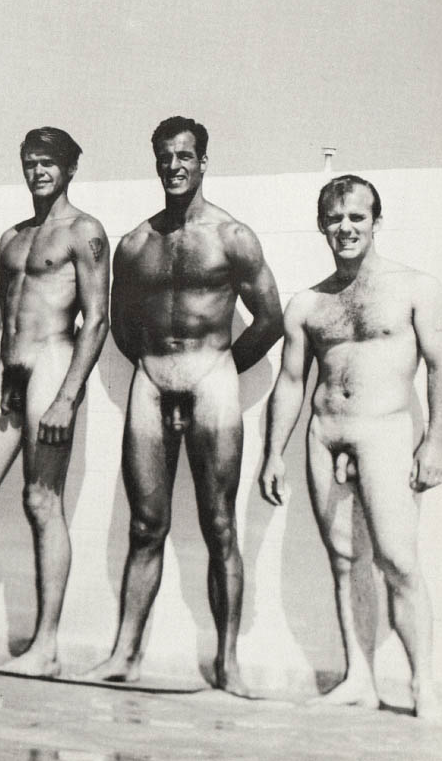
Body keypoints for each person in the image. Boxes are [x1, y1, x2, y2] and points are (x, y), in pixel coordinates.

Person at [87, 116, 282, 695]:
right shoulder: (134, 244)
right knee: (145, 524)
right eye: (165, 156)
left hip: (212, 379)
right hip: (151, 382)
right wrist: (159, 370)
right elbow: (121, 324)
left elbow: (269, 320)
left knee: (219, 525)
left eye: (185, 156)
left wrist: (216, 370)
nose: (174, 166)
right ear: (156, 162)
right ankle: (124, 655)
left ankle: (227, 663)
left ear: (202, 162)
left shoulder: (232, 236)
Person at [260, 175, 442, 723]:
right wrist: (272, 453)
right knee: (345, 561)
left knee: (397, 559)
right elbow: (291, 382)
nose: (344, 228)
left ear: (376, 222)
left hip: (386, 432)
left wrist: (436, 443)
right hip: (325, 434)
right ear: (322, 226)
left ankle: (423, 687)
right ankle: (359, 679)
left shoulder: (416, 288)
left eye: (356, 217)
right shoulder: (308, 303)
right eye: (334, 219)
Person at [0, 127, 110, 676]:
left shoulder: (84, 232)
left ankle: (47, 647)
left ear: (70, 168)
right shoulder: (12, 238)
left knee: (42, 503)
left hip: (52, 364)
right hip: (8, 376)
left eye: (48, 163)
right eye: (31, 162)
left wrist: (67, 397)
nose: (38, 172)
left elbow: (97, 319)